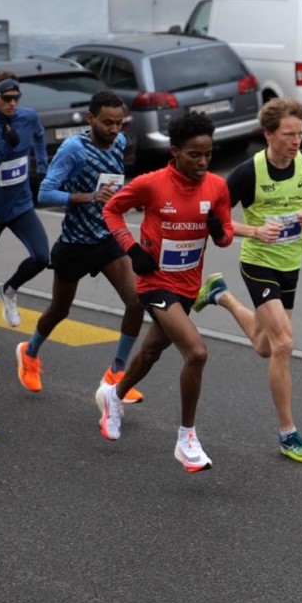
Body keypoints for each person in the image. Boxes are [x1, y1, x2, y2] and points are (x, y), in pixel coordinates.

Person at [94, 111, 233, 473]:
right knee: (197, 353)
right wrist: (132, 249)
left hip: (187, 285)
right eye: (194, 155)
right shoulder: (152, 183)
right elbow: (111, 210)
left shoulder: (217, 186)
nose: (202, 162)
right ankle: (187, 438)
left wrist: (219, 231)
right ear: (175, 151)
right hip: (154, 283)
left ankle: (115, 394)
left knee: (152, 350)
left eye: (208, 155)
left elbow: (226, 237)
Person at [193, 97, 302, 463]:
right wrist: (254, 231)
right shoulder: (247, 173)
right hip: (258, 264)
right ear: (268, 134)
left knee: (265, 346)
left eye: (300, 133)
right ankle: (288, 434)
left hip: (290, 264)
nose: (296, 140)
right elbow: (214, 222)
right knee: (283, 343)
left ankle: (220, 295)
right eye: (288, 134)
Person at [15, 91, 145, 403]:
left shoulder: (120, 142)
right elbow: (44, 193)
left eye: (119, 123)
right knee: (60, 309)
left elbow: (114, 184)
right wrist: (88, 197)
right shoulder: (75, 149)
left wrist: (128, 198)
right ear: (90, 119)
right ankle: (29, 352)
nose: (114, 129)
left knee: (137, 302)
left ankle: (116, 373)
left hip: (107, 238)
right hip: (75, 244)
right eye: (107, 123)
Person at [0, 70, 50, 327]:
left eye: (16, 97)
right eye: (6, 98)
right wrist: (5, 147)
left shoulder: (28, 117)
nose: (12, 103)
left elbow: (38, 134)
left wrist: (42, 164)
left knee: (42, 257)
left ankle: (8, 289)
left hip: (22, 205)